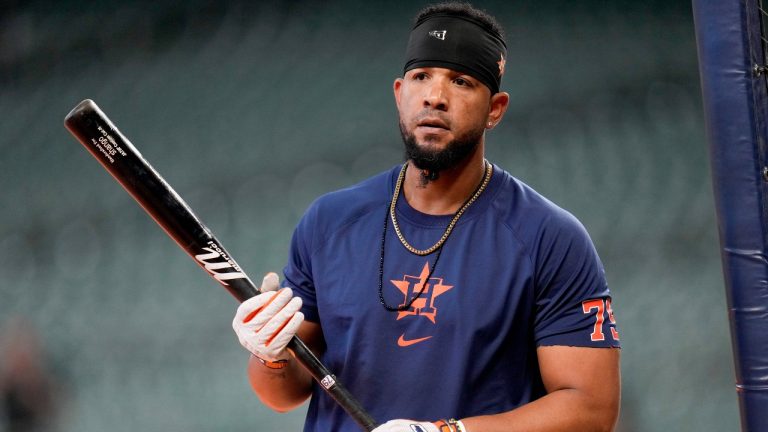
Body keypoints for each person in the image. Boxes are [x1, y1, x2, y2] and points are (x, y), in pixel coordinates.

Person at [232, 3, 621, 431]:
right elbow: (283, 393)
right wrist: (269, 354)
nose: (435, 96)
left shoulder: (549, 237)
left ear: (495, 108)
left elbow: (590, 411)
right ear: (399, 93)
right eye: (422, 77)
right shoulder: (330, 221)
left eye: (461, 81)